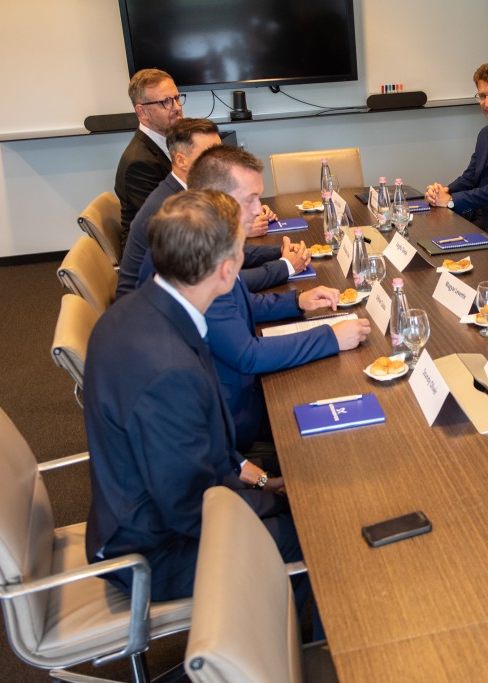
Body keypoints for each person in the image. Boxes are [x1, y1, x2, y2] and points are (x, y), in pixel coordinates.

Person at [84, 189, 302, 602]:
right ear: (227, 271)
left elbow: (191, 452)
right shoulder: (169, 371)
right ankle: (281, 640)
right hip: (154, 552)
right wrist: (278, 503)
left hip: (142, 507)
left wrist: (260, 481)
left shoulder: (144, 308)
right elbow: (190, 508)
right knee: (315, 537)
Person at [191, 146, 371, 453]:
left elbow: (240, 304)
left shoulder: (212, 238)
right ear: (217, 199)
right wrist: (330, 337)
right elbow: (248, 355)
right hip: (231, 417)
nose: (259, 209)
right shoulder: (198, 261)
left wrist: (297, 301)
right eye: (250, 199)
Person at [119, 121, 305, 299]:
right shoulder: (174, 210)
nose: (222, 161)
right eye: (211, 154)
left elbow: (224, 249)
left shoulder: (191, 192)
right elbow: (223, 281)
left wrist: (278, 251)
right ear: (181, 161)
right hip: (152, 311)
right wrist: (285, 266)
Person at [425, 62, 488, 245]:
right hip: (477, 219)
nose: (487, 103)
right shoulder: (485, 133)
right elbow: (471, 176)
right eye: (482, 96)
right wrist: (442, 192)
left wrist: (451, 200)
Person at [115, 69, 183, 245]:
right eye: (165, 102)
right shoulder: (139, 163)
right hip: (154, 254)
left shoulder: (171, 141)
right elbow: (166, 226)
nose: (177, 107)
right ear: (142, 111)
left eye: (177, 98)